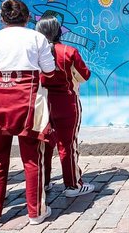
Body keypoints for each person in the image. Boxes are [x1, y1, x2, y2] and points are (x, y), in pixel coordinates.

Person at [0, 0, 55, 226]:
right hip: (27, 102)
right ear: (27, 18)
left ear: (2, 18)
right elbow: (49, 68)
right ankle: (36, 212)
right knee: (32, 157)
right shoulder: (37, 38)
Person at [35, 16, 94, 198]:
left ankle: (44, 183)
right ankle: (72, 185)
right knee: (67, 145)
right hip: (67, 104)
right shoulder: (69, 51)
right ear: (59, 31)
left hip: (42, 103)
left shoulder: (34, 53)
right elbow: (84, 76)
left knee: (43, 144)